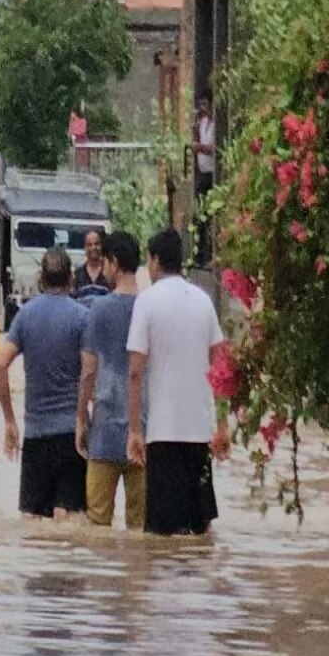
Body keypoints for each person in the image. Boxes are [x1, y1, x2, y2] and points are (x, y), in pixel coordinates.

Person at [127, 228, 230, 535]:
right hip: (199, 434)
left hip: (162, 435)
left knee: (161, 536)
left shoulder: (146, 303)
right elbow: (221, 365)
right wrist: (222, 425)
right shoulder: (203, 301)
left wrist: (134, 429)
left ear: (155, 261)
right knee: (200, 530)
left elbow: (135, 371)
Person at [0, 247, 88, 519]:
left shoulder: (25, 316)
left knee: (34, 523)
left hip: (36, 434)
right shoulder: (82, 317)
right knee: (70, 520)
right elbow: (89, 372)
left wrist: (10, 421)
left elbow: (0, 365)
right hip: (72, 433)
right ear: (71, 278)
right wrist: (83, 419)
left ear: (41, 279)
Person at [76, 232, 145, 530]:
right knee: (140, 528)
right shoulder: (149, 307)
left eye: (105, 259)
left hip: (104, 430)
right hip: (142, 431)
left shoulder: (99, 310)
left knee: (97, 526)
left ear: (114, 263)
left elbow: (89, 371)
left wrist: (81, 417)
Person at [192, 91, 216, 266]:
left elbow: (214, 148)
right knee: (200, 214)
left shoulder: (216, 125)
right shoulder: (203, 123)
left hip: (212, 173)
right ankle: (199, 253)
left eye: (206, 105)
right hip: (202, 171)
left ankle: (209, 253)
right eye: (201, 106)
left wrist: (200, 147)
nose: (203, 109)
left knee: (209, 213)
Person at [73, 229, 111, 297]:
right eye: (89, 245)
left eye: (96, 244)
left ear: (101, 246)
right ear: (85, 247)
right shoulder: (77, 275)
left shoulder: (110, 272)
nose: (93, 247)